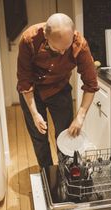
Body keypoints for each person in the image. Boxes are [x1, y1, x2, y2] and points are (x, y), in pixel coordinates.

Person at [17, 13, 99, 168]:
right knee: (38, 136)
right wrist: (35, 114)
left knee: (67, 135)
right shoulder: (29, 40)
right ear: (46, 37)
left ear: (73, 34)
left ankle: (66, 174)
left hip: (59, 89)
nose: (62, 53)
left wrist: (80, 117)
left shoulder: (79, 44)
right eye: (57, 49)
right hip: (32, 92)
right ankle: (46, 172)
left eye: (66, 48)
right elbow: (24, 81)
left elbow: (91, 83)